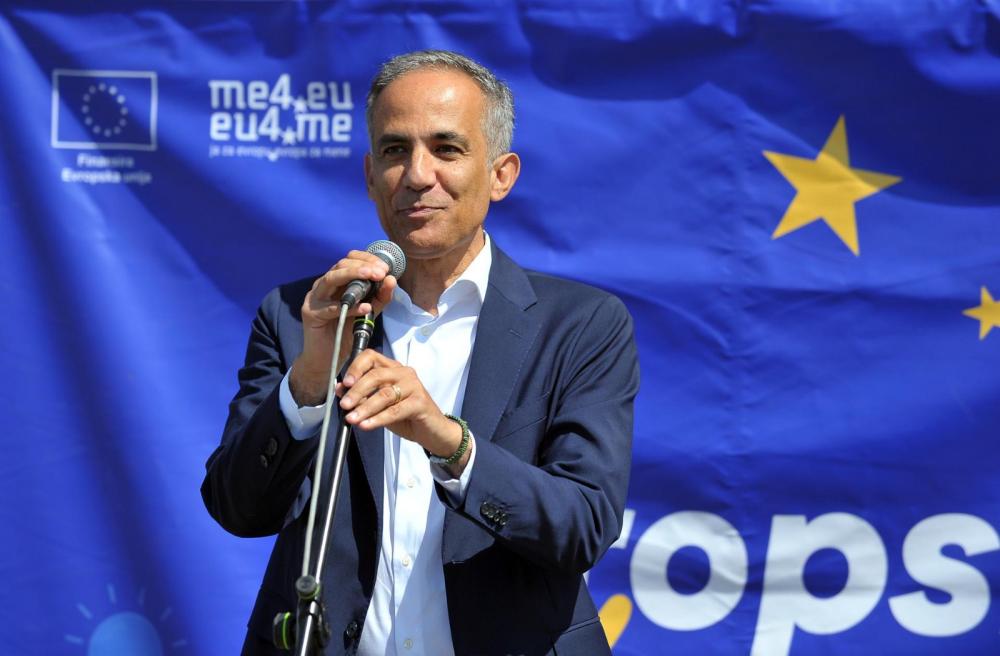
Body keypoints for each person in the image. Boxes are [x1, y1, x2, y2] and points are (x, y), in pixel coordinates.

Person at [202, 49, 639, 656]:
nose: (416, 174)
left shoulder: (581, 324)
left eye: (447, 149)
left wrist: (449, 442)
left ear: (501, 174)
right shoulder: (303, 313)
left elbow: (583, 526)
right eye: (394, 150)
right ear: (369, 174)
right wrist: (309, 380)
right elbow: (238, 509)